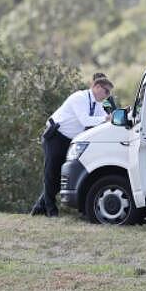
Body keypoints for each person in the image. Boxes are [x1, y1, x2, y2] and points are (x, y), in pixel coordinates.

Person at [30, 74, 114, 216]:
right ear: (97, 87)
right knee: (51, 173)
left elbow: (100, 124)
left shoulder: (98, 105)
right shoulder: (79, 98)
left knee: (60, 177)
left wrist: (112, 118)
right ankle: (51, 211)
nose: (107, 96)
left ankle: (39, 208)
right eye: (106, 91)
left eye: (109, 93)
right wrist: (106, 118)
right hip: (56, 137)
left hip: (69, 140)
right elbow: (85, 121)